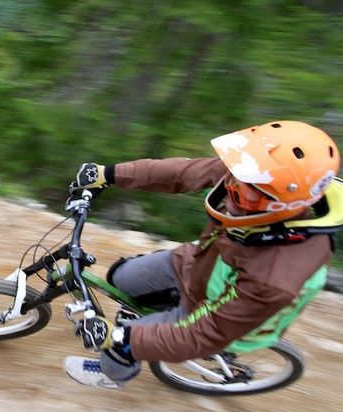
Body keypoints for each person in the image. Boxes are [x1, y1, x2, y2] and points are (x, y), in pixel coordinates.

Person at [63, 120, 342, 389]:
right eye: (233, 179)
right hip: (200, 263)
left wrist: (120, 337)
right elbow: (184, 172)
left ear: (284, 206)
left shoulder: (274, 279)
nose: (231, 192)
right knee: (121, 277)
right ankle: (157, 315)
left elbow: (206, 332)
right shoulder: (260, 177)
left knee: (118, 349)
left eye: (246, 194)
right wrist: (110, 174)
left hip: (216, 313)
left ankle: (115, 375)